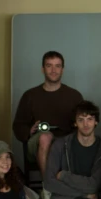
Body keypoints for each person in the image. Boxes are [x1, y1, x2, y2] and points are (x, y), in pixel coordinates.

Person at [12, 51, 83, 179]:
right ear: (42, 69)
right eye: (49, 65)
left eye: (57, 66)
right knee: (45, 137)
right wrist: (29, 130)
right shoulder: (30, 96)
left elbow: (83, 123)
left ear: (62, 70)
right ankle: (48, 187)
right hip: (38, 143)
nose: (53, 70)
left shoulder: (74, 96)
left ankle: (72, 187)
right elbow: (18, 125)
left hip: (66, 142)